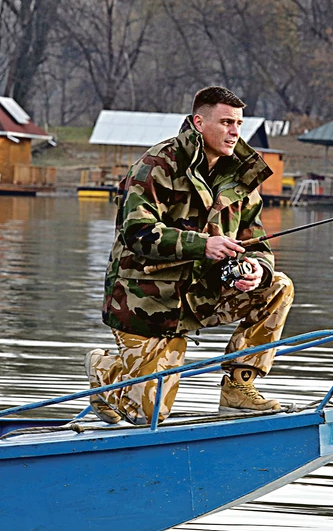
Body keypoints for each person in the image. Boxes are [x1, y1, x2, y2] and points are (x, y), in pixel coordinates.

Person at [86, 86, 294, 424]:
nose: (235, 132)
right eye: (226, 122)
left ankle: (239, 389)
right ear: (199, 122)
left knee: (278, 286)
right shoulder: (157, 164)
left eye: (239, 123)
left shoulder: (242, 177)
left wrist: (258, 268)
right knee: (147, 416)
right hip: (147, 303)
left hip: (200, 296)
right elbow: (137, 233)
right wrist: (204, 244)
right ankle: (106, 368)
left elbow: (256, 242)